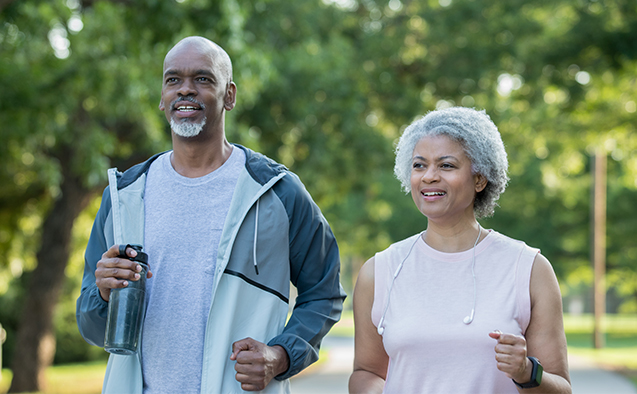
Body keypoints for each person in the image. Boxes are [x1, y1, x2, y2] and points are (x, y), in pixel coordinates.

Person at [76, 36, 346, 394]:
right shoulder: (124, 197)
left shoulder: (278, 192)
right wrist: (104, 293)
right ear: (162, 97)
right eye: (173, 80)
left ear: (229, 95)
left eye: (202, 79)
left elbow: (324, 293)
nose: (185, 90)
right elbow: (91, 325)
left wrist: (280, 355)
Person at [348, 107, 571, 393]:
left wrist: (526, 372)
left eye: (446, 165)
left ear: (480, 178)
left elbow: (562, 388)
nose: (429, 176)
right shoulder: (379, 271)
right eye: (419, 165)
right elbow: (366, 372)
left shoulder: (529, 269)